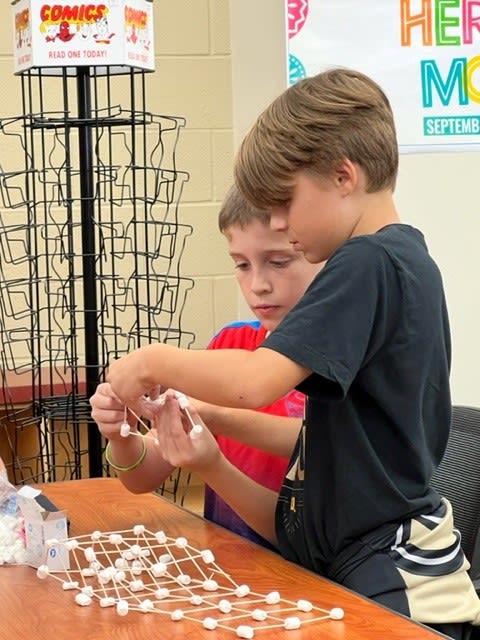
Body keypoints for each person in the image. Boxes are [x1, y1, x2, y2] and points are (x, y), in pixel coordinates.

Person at [104, 68, 480, 638]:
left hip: (398, 584)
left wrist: (149, 361)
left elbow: (255, 381)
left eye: (285, 202)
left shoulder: (367, 261)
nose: (279, 222)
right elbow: (316, 469)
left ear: (344, 176)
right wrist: (211, 428)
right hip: (360, 569)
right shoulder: (404, 263)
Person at [90, 184, 322, 547]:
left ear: (323, 257)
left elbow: (318, 443)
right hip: (231, 560)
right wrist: (121, 434)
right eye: (242, 265)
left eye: (278, 262)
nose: (258, 284)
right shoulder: (229, 343)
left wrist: (211, 422)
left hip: (307, 566)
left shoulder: (337, 360)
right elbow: (141, 477)